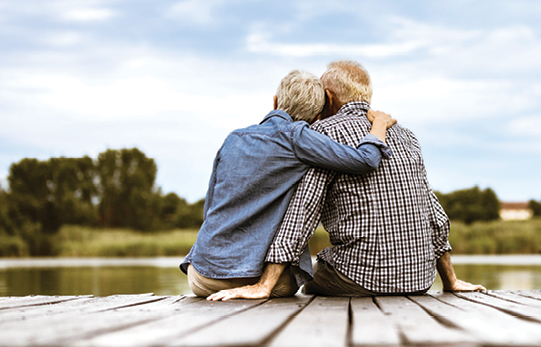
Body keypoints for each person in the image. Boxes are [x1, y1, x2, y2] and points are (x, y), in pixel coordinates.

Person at [207, 61, 483, 301]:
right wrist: (450, 281)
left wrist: (264, 285)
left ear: (327, 98)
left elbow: (302, 212)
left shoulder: (322, 133)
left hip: (358, 278)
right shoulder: (406, 136)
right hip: (419, 281)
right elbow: (433, 212)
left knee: (306, 278)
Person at [180, 69, 396, 298]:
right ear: (317, 117)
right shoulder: (299, 137)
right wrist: (379, 125)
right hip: (258, 277)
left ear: (274, 102)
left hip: (203, 276)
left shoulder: (233, 138)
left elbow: (210, 208)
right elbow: (366, 160)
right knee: (299, 281)